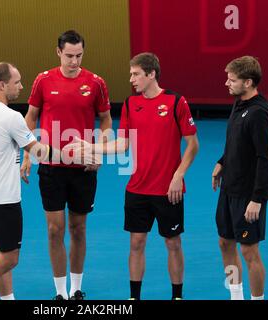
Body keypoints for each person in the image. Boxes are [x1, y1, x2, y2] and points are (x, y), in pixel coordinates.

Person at [66, 52, 199, 300]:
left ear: (151, 74)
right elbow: (123, 144)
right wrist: (91, 146)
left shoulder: (176, 102)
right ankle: (134, 298)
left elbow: (193, 145)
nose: (132, 79)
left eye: (136, 74)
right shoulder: (130, 104)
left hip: (168, 189)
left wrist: (178, 176)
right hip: (137, 188)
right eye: (131, 74)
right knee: (136, 243)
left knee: (173, 243)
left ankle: (177, 296)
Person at [0, 62, 84, 300]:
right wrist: (73, 155)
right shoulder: (12, 117)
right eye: (17, 82)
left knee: (1, 254)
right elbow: (39, 153)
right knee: (10, 258)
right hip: (4, 198)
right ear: (2, 85)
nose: (21, 87)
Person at [20, 30, 112, 300]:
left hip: (83, 168)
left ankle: (76, 289)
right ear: (58, 52)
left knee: (78, 228)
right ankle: (59, 292)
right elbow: (31, 117)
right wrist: (27, 154)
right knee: (54, 229)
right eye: (69, 56)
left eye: (79, 56)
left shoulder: (95, 83)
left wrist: (100, 152)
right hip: (50, 164)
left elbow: (106, 120)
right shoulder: (43, 80)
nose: (74, 61)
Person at [212, 56, 268, 300]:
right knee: (225, 243)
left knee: (249, 252)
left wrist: (257, 199)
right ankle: (236, 296)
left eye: (232, 80)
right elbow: (237, 143)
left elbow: (265, 158)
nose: (226, 84)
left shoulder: (259, 114)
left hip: (248, 195)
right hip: (229, 189)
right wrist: (222, 161)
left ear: (248, 82)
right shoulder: (239, 104)